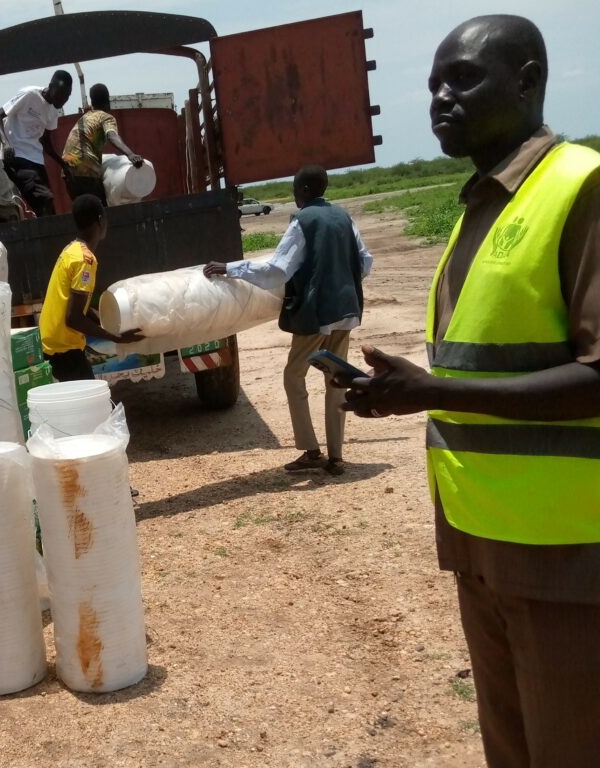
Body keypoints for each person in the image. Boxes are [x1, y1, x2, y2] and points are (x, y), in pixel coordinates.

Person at [341, 16, 600, 765]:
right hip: (482, 541)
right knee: (511, 748)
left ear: (527, 81)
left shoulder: (578, 187)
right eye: (432, 85)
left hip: (563, 550)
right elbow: (480, 368)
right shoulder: (479, 209)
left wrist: (433, 390)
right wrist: (402, 392)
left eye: (463, 78)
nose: (440, 98)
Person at [204, 166, 372, 475]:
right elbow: (365, 261)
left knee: (294, 376)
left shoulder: (304, 221)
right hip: (346, 312)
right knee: (336, 380)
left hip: (318, 314)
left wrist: (230, 267)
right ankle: (336, 456)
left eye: (295, 189)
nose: (295, 195)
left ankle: (311, 451)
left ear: (304, 191)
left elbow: (276, 271)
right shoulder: (344, 217)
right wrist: (342, 285)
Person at [38, 194, 142, 381]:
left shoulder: (71, 250)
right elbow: (73, 318)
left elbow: (78, 309)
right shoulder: (85, 260)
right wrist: (115, 337)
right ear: (100, 220)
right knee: (89, 406)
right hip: (64, 349)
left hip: (53, 344)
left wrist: (105, 323)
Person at [0, 70, 74, 217]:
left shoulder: (54, 110)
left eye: (67, 96)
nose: (63, 100)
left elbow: (46, 141)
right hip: (17, 156)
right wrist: (5, 144)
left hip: (36, 161)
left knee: (50, 210)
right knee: (44, 199)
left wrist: (62, 163)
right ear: (51, 86)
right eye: (61, 94)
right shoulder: (30, 95)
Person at [61, 83, 144, 204]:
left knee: (84, 213)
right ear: (108, 101)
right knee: (101, 210)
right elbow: (112, 136)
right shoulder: (106, 117)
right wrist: (130, 154)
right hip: (86, 169)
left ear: (92, 102)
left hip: (67, 171)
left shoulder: (85, 118)